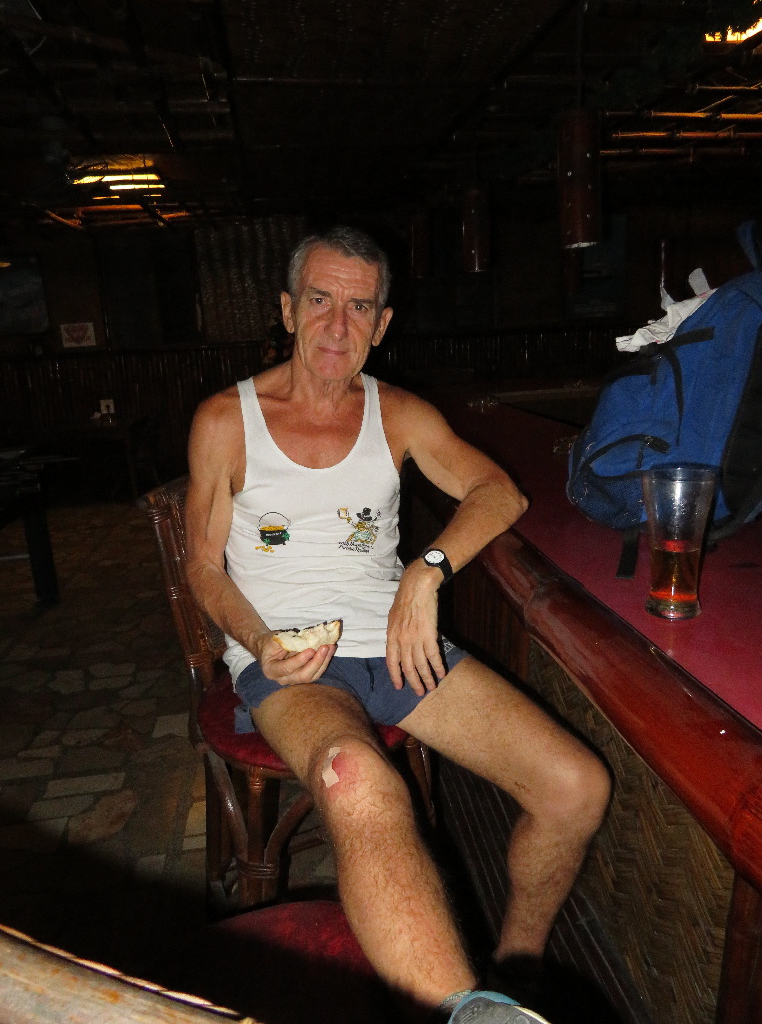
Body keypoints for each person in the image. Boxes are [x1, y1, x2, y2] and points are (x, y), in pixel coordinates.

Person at [185, 226, 611, 1024]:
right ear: (287, 309)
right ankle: (460, 1011)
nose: (336, 325)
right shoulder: (224, 419)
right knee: (356, 777)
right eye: (320, 300)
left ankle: (511, 982)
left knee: (575, 787)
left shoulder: (400, 414)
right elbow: (203, 568)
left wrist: (427, 571)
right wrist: (260, 640)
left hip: (396, 646)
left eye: (359, 307)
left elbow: (500, 492)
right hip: (289, 660)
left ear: (382, 325)